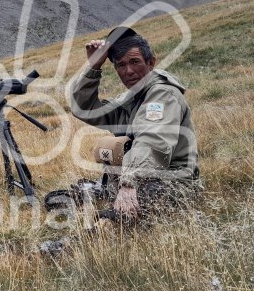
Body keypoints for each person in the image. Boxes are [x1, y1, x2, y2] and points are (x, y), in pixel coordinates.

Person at [69, 27, 200, 223]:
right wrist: (93, 67)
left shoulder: (163, 95)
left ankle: (91, 235)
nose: (128, 71)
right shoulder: (131, 98)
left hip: (173, 184)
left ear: (151, 63)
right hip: (143, 179)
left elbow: (152, 140)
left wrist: (129, 183)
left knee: (121, 217)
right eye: (121, 65)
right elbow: (83, 108)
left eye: (135, 62)